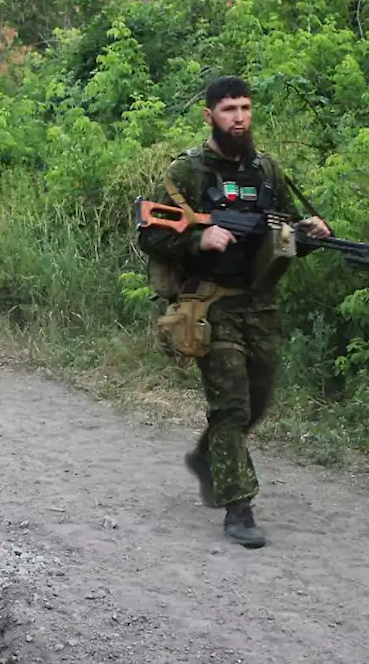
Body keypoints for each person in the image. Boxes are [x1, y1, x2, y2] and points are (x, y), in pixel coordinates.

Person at [136, 75, 331, 549]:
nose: (239, 117)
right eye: (228, 110)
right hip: (210, 303)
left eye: (245, 108)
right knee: (232, 406)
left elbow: (279, 231)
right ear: (209, 116)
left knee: (258, 402)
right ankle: (239, 507)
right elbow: (149, 232)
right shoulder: (188, 173)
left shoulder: (267, 170)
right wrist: (197, 238)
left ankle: (207, 456)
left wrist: (308, 233)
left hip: (260, 304)